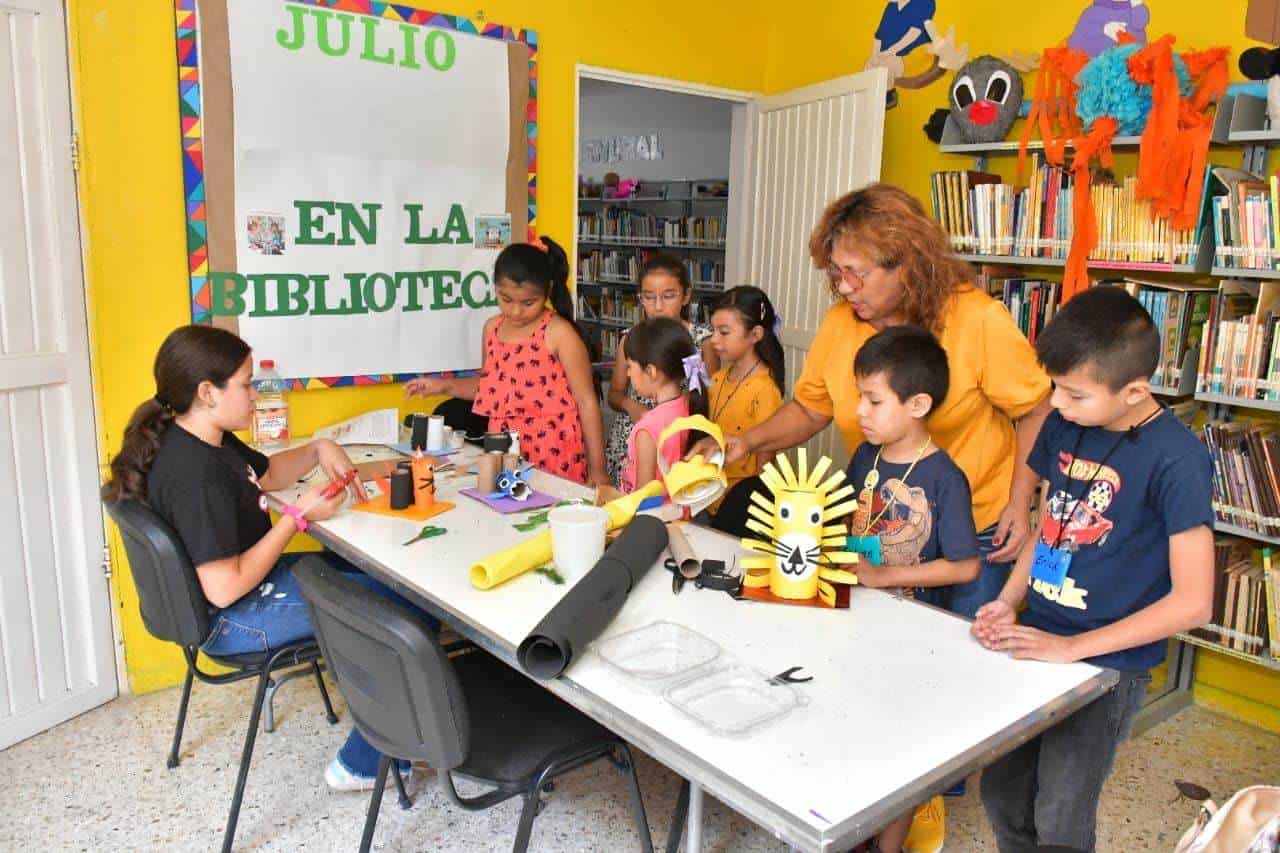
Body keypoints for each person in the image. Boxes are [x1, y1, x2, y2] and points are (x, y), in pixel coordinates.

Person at [704, 184, 1052, 621]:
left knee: (964, 654)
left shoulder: (977, 319)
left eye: (857, 272)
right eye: (835, 272)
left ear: (907, 264)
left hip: (978, 529)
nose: (844, 287)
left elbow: (1037, 410)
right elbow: (812, 408)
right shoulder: (839, 324)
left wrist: (1021, 502)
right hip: (883, 534)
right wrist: (746, 441)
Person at [101, 325, 424, 791]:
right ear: (208, 392)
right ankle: (362, 764)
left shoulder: (201, 437)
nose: (256, 395)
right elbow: (225, 587)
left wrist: (319, 448)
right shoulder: (196, 476)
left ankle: (384, 714)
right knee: (403, 613)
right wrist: (295, 519)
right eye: (247, 384)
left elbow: (269, 474)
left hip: (250, 589)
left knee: (384, 585)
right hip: (234, 617)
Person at [972, 286, 1214, 852]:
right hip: (1038, 639)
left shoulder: (1178, 460)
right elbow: (1051, 523)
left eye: (1075, 393)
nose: (1056, 403)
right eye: (1055, 386)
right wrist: (1010, 600)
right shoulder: (1065, 423)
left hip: (1109, 664)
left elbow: (1194, 601)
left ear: (1134, 391)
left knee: (1061, 811)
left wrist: (1072, 650)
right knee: (1004, 791)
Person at [844, 325, 980, 853]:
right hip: (859, 627)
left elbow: (965, 567)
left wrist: (884, 577)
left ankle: (890, 845)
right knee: (858, 735)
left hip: (912, 640)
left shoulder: (944, 478)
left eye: (874, 400)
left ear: (919, 403)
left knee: (899, 751)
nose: (860, 410)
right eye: (860, 396)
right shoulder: (865, 457)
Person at [405, 237, 608, 486]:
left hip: (554, 450)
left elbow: (587, 402)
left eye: (528, 303)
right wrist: (443, 386)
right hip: (502, 449)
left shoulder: (559, 333)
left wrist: (598, 468)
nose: (515, 311)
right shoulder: (492, 329)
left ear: (548, 290)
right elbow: (491, 387)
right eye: (506, 299)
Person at [605, 254, 719, 486]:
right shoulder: (631, 340)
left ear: (686, 296)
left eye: (668, 296)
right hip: (635, 439)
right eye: (648, 297)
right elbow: (615, 394)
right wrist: (630, 405)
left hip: (676, 440)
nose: (657, 306)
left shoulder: (699, 341)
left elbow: (708, 394)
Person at [705, 286, 785, 493]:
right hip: (707, 494)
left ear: (755, 334)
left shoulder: (765, 390)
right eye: (713, 330)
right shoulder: (716, 379)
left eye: (724, 332)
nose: (713, 339)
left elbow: (764, 469)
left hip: (737, 502)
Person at [617, 317, 709, 494]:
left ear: (650, 371)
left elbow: (644, 498)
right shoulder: (689, 403)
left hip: (652, 519)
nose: (627, 373)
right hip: (679, 513)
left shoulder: (648, 429)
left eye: (630, 366)